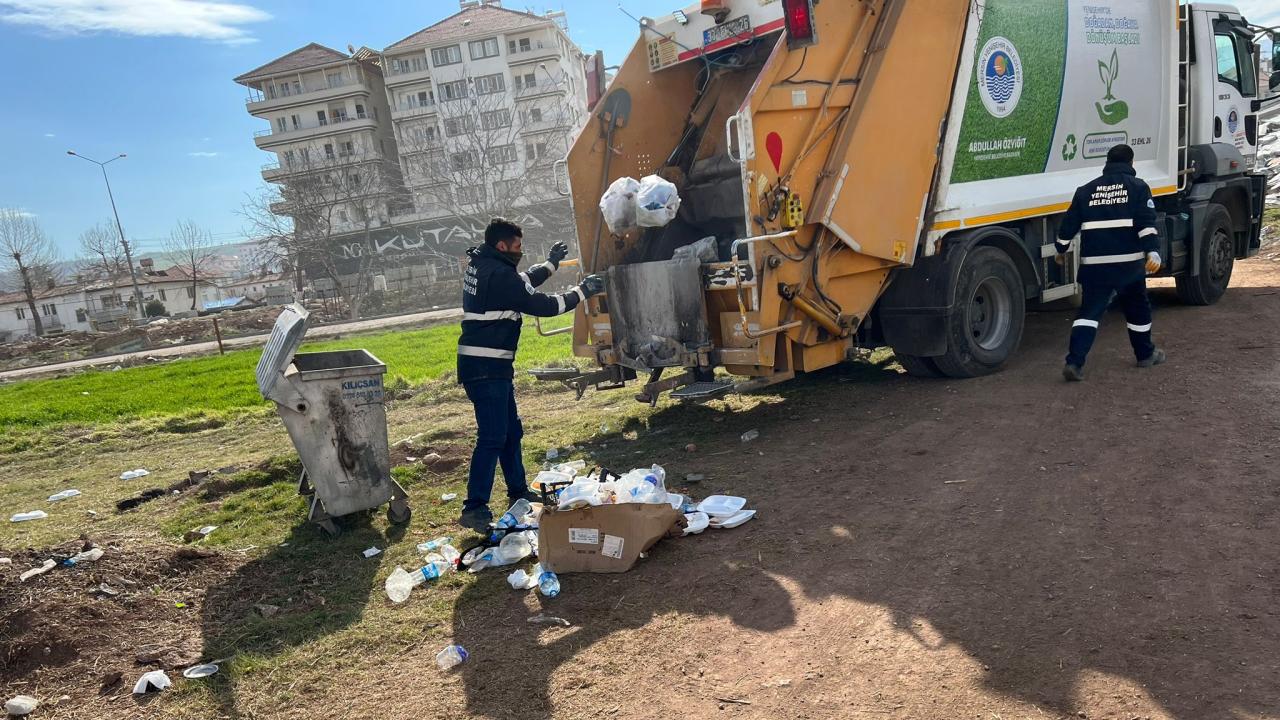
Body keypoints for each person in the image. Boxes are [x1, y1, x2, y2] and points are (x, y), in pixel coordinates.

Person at [456, 218, 605, 530]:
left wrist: (551, 264)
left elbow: (522, 281)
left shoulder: (485, 265)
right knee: (493, 437)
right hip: (485, 369)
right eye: (517, 246)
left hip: (491, 367)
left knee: (511, 433)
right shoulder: (496, 274)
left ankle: (517, 492)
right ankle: (474, 507)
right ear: (502, 246)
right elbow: (547, 305)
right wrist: (582, 291)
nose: (520, 251)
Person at [1055, 144, 1167, 382]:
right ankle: (1145, 354)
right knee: (1138, 310)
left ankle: (1074, 362)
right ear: (1131, 163)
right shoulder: (1138, 188)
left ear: (1107, 162)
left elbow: (1068, 226)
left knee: (1088, 314)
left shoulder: (1085, 190)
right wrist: (1153, 252)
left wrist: (1060, 249)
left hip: (1095, 267)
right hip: (1129, 267)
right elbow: (1146, 224)